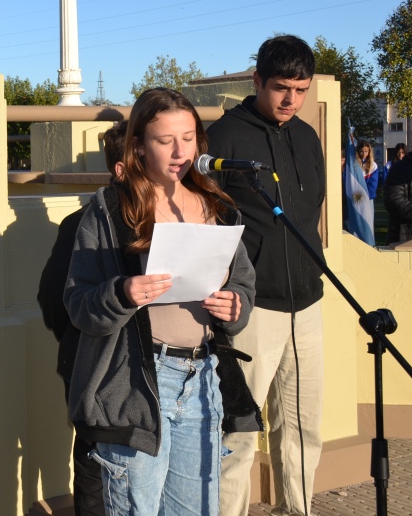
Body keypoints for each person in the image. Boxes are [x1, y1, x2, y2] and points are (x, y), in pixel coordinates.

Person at [64, 88, 259, 516]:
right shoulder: (110, 210)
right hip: (136, 384)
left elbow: (243, 282)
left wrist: (235, 306)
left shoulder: (216, 205)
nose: (179, 151)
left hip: (202, 376)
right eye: (164, 140)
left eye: (188, 138)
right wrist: (123, 292)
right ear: (137, 146)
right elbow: (78, 304)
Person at [208, 34, 326, 516]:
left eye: (301, 90)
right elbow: (207, 222)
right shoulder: (223, 137)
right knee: (238, 436)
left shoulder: (306, 135)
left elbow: (312, 211)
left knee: (303, 429)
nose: (291, 100)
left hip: (310, 303)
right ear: (256, 80)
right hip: (251, 310)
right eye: (281, 87)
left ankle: (298, 511)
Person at [37, 120, 130, 516]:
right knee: (95, 469)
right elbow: (54, 300)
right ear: (121, 168)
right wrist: (86, 347)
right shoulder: (81, 224)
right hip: (91, 372)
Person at [357, 140, 379, 204]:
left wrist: (367, 196)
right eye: (362, 151)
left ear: (369, 152)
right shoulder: (354, 164)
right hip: (355, 195)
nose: (364, 154)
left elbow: (373, 183)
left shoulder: (373, 165)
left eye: (366, 151)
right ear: (358, 151)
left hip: (368, 197)